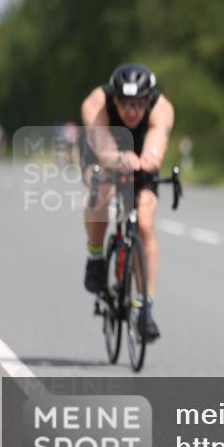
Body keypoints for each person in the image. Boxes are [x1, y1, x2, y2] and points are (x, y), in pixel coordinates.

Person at [81, 63, 175, 341]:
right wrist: (119, 159)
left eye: (138, 105)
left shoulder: (162, 107)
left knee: (145, 223)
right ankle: (95, 257)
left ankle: (145, 309)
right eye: (124, 104)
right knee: (102, 194)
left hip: (140, 154)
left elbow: (157, 141)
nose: (132, 112)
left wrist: (150, 159)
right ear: (114, 98)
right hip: (103, 152)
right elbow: (102, 145)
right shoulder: (96, 102)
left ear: (148, 100)